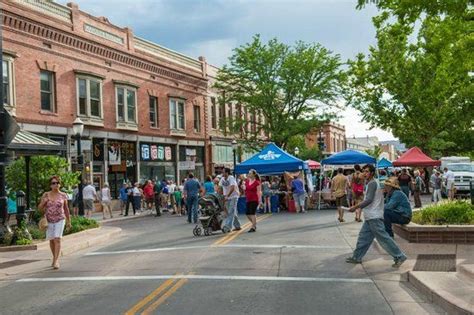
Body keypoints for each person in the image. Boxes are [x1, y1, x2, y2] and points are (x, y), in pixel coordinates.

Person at [345, 165, 407, 267]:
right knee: (363, 238)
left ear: (372, 173)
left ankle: (399, 256)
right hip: (371, 216)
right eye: (364, 171)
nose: (364, 173)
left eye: (367, 171)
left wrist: (355, 207)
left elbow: (368, 200)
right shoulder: (371, 183)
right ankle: (357, 257)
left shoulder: (372, 183)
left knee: (383, 239)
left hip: (374, 216)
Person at [38, 176, 72, 270]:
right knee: (52, 240)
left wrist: (69, 221)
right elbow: (39, 208)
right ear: (50, 185)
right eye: (53, 183)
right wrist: (43, 202)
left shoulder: (63, 195)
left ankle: (56, 260)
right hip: (49, 220)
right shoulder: (46, 195)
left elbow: (66, 209)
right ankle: (54, 257)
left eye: (57, 183)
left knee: (57, 239)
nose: (55, 185)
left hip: (60, 219)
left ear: (60, 184)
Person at [220, 167, 241, 232]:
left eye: (223, 172)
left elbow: (232, 187)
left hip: (234, 196)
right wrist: (221, 196)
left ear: (227, 172)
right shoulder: (222, 179)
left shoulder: (231, 178)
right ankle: (237, 226)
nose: (222, 173)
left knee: (231, 211)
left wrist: (227, 195)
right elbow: (220, 188)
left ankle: (228, 227)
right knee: (231, 212)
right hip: (227, 197)